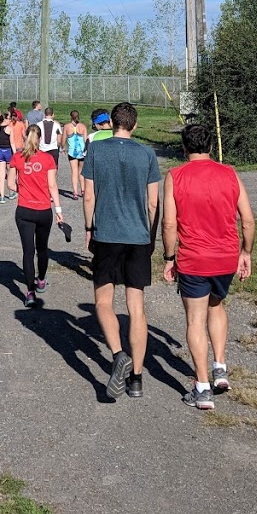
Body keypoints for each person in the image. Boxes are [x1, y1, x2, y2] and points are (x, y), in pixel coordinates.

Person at [162, 122, 255, 410]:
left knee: (194, 320)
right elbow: (248, 220)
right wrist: (246, 252)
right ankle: (220, 367)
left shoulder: (175, 176)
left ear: (184, 147)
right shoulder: (229, 173)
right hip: (226, 256)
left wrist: (168, 257)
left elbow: (168, 223)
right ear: (211, 146)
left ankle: (202, 388)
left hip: (194, 258)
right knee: (216, 306)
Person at [82, 102, 161, 400]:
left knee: (103, 301)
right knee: (136, 307)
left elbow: (89, 195)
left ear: (112, 123)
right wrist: (151, 237)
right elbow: (154, 203)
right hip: (138, 237)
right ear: (135, 125)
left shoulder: (96, 151)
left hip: (106, 234)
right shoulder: (147, 154)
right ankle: (137, 379)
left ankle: (117, 355)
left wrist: (88, 228)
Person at [10, 124, 62, 307]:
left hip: (24, 210)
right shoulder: (48, 159)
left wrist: (22, 189)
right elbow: (52, 186)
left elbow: (10, 185)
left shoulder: (17, 157)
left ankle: (30, 292)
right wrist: (59, 210)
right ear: (40, 139)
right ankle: (41, 279)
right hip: (43, 211)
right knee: (42, 248)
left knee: (28, 251)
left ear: (25, 137)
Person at [64, 109, 87, 199]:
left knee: (74, 172)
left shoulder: (67, 126)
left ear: (71, 116)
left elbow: (63, 139)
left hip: (72, 152)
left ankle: (75, 192)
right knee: (81, 171)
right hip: (81, 152)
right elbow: (85, 140)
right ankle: (83, 190)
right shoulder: (83, 126)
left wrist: (62, 147)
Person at [0, 108, 14, 202]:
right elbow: (12, 143)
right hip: (8, 151)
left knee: (1, 175)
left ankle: (1, 197)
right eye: (9, 119)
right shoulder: (9, 129)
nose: (10, 121)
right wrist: (15, 154)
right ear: (5, 120)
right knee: (10, 173)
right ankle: (10, 192)